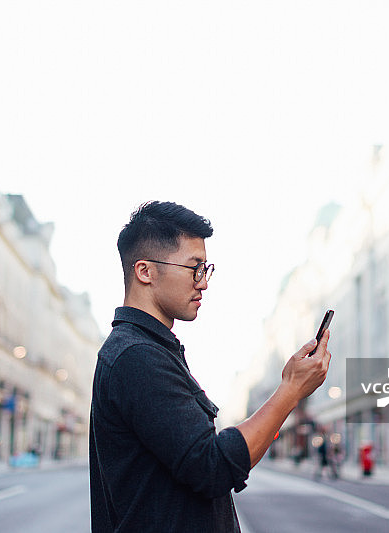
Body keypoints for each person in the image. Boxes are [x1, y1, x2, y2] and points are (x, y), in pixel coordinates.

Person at [89, 201, 332, 532]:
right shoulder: (137, 356)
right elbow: (213, 467)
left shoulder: (151, 349)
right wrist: (290, 390)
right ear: (145, 271)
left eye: (207, 269)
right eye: (195, 268)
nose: (203, 283)